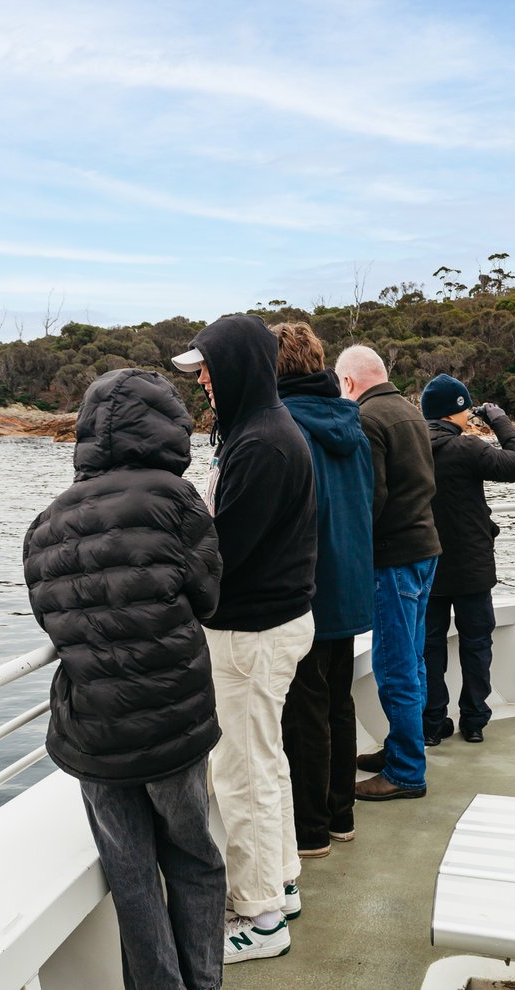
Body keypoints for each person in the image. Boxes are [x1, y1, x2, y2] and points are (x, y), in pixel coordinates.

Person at [23, 368, 225, 990]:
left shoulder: (44, 524)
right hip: (172, 720)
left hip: (94, 731)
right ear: (168, 428)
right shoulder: (174, 498)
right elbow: (208, 597)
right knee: (193, 858)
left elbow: (53, 621)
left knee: (130, 875)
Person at [172, 313, 317, 963]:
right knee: (264, 762)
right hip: (271, 626)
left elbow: (223, 553)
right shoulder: (263, 432)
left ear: (235, 366)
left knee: (240, 774)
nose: (200, 378)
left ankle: (259, 918)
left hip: (249, 634)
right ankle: (278, 882)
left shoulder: (260, 443)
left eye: (205, 365)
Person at [271, 322, 374, 858]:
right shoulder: (349, 424)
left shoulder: (285, 427)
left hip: (306, 588)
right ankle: (340, 816)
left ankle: (309, 830)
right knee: (337, 702)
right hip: (350, 584)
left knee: (304, 710)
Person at [335, 344, 441, 800]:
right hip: (424, 549)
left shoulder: (366, 419)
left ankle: (405, 771)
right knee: (412, 660)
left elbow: (370, 499)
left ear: (349, 383)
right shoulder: (410, 411)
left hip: (393, 557)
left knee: (394, 666)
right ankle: (404, 746)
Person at [420, 374, 515, 745]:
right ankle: (473, 720)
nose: (470, 414)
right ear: (455, 411)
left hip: (427, 563)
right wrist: (498, 420)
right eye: (466, 407)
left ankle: (433, 722)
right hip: (471, 566)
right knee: (476, 643)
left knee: (430, 647)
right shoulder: (467, 449)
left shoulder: (414, 447)